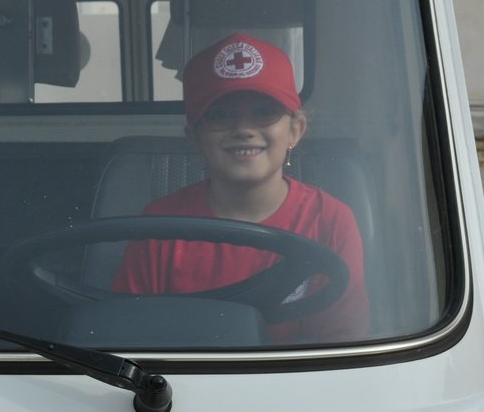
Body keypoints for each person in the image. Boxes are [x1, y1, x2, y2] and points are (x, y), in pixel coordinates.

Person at [112, 32, 369, 344]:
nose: (244, 130)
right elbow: (131, 334)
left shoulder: (330, 219)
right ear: (194, 137)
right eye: (221, 115)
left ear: (295, 131)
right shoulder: (158, 222)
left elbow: (341, 342)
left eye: (264, 112)